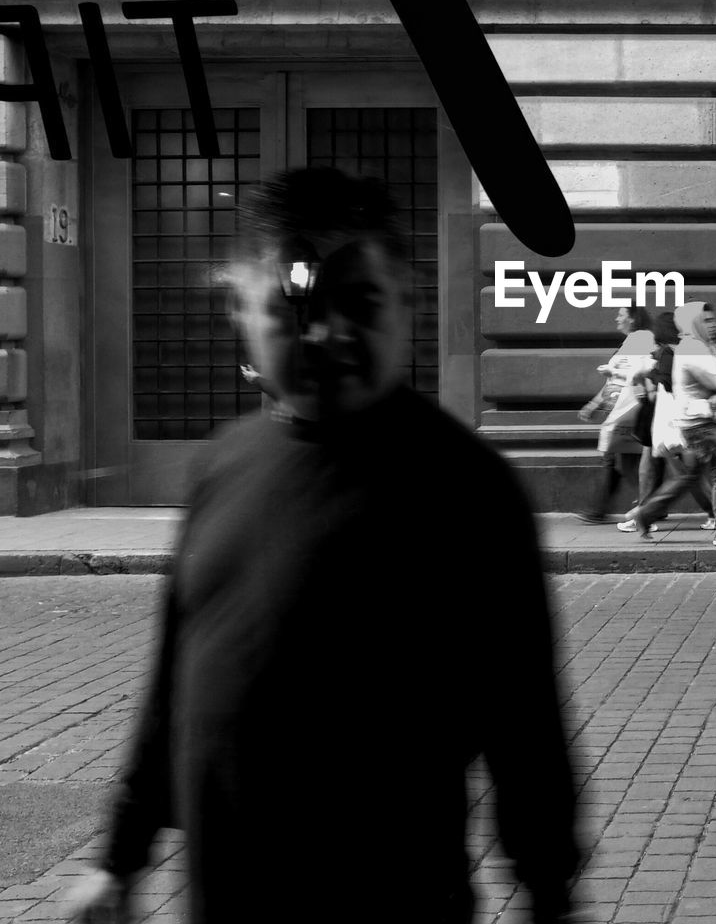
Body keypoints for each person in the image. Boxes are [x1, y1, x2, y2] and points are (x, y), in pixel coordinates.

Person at [66, 168, 580, 924]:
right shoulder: (222, 465)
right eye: (290, 306)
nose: (326, 332)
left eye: (361, 304)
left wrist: (551, 899)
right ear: (243, 312)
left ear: (406, 305)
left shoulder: (469, 488)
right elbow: (174, 682)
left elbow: (527, 734)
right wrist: (119, 860)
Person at [635, 301, 716, 548]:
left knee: (689, 477)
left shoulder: (702, 346)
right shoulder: (693, 350)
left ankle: (644, 514)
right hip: (701, 426)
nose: (714, 324)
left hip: (697, 423)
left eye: (712, 320)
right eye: (707, 320)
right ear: (694, 322)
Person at [617, 310, 714, 533]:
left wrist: (651, 379)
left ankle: (645, 514)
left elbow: (669, 385)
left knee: (684, 472)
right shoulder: (674, 351)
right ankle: (646, 513)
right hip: (673, 419)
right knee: (678, 470)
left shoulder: (669, 353)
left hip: (673, 420)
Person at [574, 306, 653, 524]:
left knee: (619, 461)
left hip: (626, 410)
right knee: (622, 462)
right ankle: (649, 505)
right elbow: (613, 381)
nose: (616, 318)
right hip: (618, 409)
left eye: (621, 314)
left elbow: (629, 376)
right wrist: (595, 404)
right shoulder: (631, 342)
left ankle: (649, 506)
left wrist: (595, 405)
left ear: (633, 319)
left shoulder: (641, 340)